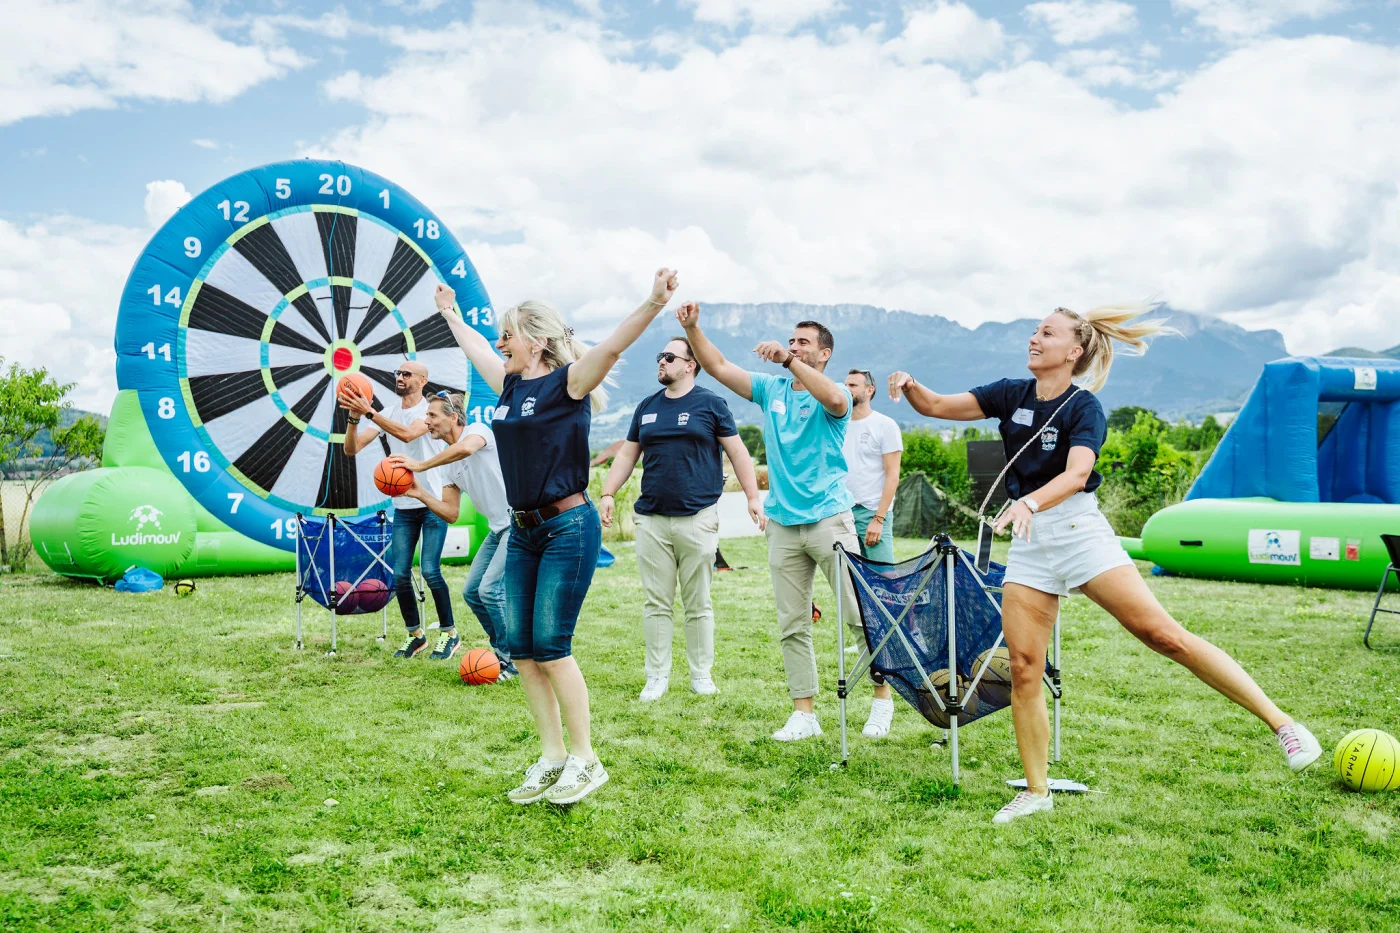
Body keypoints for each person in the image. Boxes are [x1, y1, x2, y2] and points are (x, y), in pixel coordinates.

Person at [887, 304, 1322, 825]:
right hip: (1030, 543)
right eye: (1034, 330)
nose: (1033, 337)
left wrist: (1027, 502)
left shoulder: (1084, 407)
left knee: (1163, 636)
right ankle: (1036, 789)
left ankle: (1282, 725)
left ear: (1073, 351)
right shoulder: (1010, 393)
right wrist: (910, 384)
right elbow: (935, 405)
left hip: (1076, 532)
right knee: (1025, 667)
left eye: (1046, 332)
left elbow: (1076, 475)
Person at [436, 268, 681, 806]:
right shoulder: (509, 384)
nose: (500, 342)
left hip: (568, 526)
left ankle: (586, 759)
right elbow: (474, 345)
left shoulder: (568, 383)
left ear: (537, 340)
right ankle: (551, 757)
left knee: (550, 646)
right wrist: (450, 312)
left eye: (508, 334)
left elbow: (615, 345)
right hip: (522, 531)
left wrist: (653, 302)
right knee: (522, 649)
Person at [678, 303, 896, 741]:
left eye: (804, 343)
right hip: (783, 523)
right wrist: (693, 328)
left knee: (859, 616)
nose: (794, 346)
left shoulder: (835, 393)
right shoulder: (770, 390)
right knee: (792, 623)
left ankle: (881, 701)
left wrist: (788, 359)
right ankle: (804, 714)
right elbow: (718, 366)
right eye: (791, 340)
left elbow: (838, 400)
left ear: (824, 354)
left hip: (830, 519)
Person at [599, 331, 765, 702]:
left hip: (697, 517)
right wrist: (608, 492)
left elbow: (738, 453)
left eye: (670, 357)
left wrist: (753, 497)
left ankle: (700, 675)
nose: (661, 361)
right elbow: (627, 455)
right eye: (660, 356)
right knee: (656, 603)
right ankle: (656, 676)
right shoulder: (647, 407)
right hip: (652, 520)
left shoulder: (712, 404)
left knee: (698, 602)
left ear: (691, 365)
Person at [389, 392, 515, 678]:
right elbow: (450, 513)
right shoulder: (446, 464)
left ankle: (512, 660)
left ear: (453, 418)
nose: (427, 421)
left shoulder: (477, 431)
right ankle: (503, 652)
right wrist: (420, 493)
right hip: (498, 528)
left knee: (490, 590)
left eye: (432, 416)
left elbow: (466, 449)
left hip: (517, 522)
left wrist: (420, 465)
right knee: (472, 592)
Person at [339, 361, 454, 660]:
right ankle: (416, 636)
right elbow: (351, 449)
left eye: (407, 374)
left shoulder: (428, 412)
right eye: (397, 374)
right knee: (400, 574)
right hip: (403, 506)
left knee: (430, 570)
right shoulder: (387, 412)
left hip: (431, 502)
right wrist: (353, 419)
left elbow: (406, 435)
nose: (400, 378)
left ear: (423, 380)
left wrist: (368, 412)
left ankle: (449, 633)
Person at [842, 369, 902, 564]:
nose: (846, 389)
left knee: (884, 577)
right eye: (845, 385)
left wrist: (879, 519)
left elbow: (893, 475)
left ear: (869, 390)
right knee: (851, 580)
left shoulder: (885, 425)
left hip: (871, 512)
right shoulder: (838, 425)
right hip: (842, 512)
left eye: (852, 385)